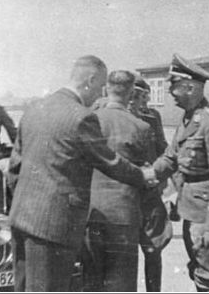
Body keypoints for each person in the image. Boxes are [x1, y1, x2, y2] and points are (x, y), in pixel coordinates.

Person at [7, 55, 157, 292]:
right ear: (90, 80)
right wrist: (142, 176)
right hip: (53, 228)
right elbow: (109, 161)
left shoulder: (34, 109)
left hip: (21, 220)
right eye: (99, 89)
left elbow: (14, 169)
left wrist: (25, 206)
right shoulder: (81, 117)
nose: (99, 96)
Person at [152, 53, 209, 292]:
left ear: (190, 87)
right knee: (199, 270)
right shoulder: (189, 119)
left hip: (208, 215)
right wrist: (145, 174)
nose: (170, 92)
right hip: (192, 210)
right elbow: (171, 157)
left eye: (173, 86)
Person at [82, 70, 152, 292]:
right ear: (131, 93)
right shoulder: (141, 127)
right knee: (121, 284)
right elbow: (147, 173)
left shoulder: (89, 121)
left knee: (92, 281)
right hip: (124, 216)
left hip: (91, 213)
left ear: (106, 90)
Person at [130, 76, 172, 292]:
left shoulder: (153, 116)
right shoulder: (120, 116)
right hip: (127, 191)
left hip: (150, 191)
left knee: (153, 249)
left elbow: (164, 149)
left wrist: (163, 182)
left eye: (145, 96)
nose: (142, 101)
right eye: (138, 95)